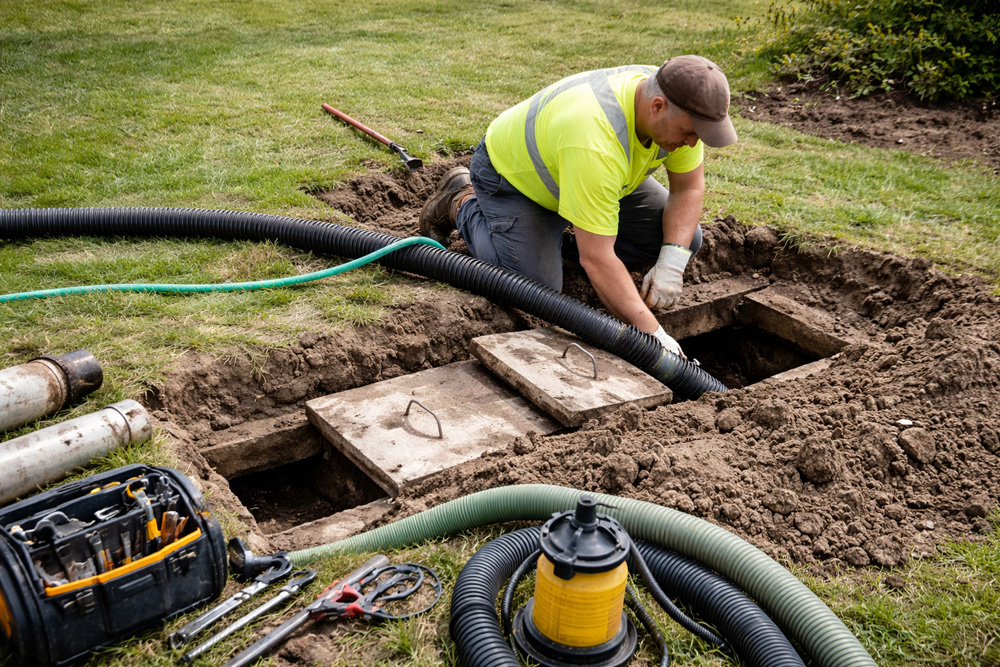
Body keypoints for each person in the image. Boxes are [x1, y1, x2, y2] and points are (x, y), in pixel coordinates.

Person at [419, 55, 737, 358]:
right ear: (657, 107)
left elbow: (688, 188)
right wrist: (652, 336)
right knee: (533, 291)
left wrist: (672, 261)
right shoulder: (596, 137)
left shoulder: (673, 99)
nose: (693, 143)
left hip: (591, 176)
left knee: (683, 240)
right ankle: (462, 201)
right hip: (515, 179)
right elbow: (597, 258)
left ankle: (562, 240)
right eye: (690, 133)